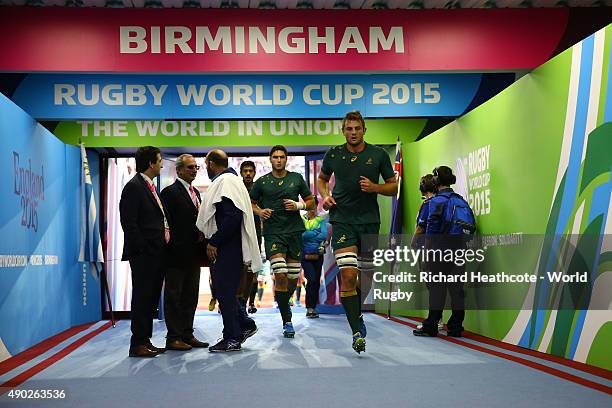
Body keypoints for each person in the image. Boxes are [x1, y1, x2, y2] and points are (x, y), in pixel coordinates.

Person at [318, 111, 397, 353]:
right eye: (349, 129)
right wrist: (325, 196)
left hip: (370, 222)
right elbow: (322, 179)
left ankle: (356, 313)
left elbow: (394, 187)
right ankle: (355, 331)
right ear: (343, 131)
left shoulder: (378, 154)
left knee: (366, 278)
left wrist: (375, 187)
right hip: (342, 221)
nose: (353, 132)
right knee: (349, 276)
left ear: (364, 130)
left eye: (357, 128)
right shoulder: (334, 154)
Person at [196, 149, 262, 352]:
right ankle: (245, 325)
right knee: (226, 292)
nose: (205, 168)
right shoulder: (231, 181)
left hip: (227, 247)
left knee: (224, 292)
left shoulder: (226, 182)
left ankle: (232, 337)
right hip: (229, 246)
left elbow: (233, 217)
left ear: (212, 163)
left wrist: (214, 241)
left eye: (206, 164)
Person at [250, 145, 315, 338]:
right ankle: (287, 321)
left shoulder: (296, 178)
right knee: (280, 275)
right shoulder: (262, 182)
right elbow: (251, 202)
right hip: (273, 234)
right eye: (275, 157)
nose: (279, 160)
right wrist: (260, 212)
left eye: (282, 157)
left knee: (293, 279)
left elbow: (311, 201)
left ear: (286, 159)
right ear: (270, 159)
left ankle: (284, 303)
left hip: (294, 233)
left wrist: (299, 205)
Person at [413, 165, 474, 338]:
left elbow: (431, 233)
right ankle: (456, 327)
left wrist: (426, 255)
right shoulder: (461, 200)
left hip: (440, 250)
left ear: (436, 181)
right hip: (459, 249)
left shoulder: (435, 202)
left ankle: (431, 326)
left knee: (437, 289)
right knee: (457, 290)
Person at [119, 146, 169, 358]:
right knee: (142, 298)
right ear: (150, 163)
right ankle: (137, 343)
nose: (162, 164)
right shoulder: (134, 186)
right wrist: (143, 249)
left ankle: (145, 341)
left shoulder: (149, 186)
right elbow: (129, 223)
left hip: (155, 254)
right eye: (159, 160)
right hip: (144, 255)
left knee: (149, 299)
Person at [160, 154, 209, 351]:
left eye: (196, 167)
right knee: (174, 296)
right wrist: (171, 247)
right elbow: (165, 224)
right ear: (179, 170)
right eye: (190, 167)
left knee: (191, 295)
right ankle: (173, 337)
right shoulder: (169, 193)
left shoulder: (195, 191)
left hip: (194, 255)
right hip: (175, 255)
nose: (194, 170)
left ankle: (187, 334)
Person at [410, 174, 443, 332]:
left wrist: (412, 243)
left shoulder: (428, 203)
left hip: (427, 249)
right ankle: (438, 320)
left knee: (432, 286)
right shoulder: (440, 202)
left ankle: (435, 321)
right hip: (441, 248)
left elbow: (421, 227)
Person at [301, 197, 329, 318]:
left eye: (314, 206)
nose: (312, 209)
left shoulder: (321, 220)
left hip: (318, 253)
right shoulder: (301, 219)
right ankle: (309, 307)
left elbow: (323, 235)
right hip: (304, 254)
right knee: (311, 279)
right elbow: (301, 235)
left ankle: (313, 307)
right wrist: (314, 233)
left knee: (316, 281)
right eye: (310, 206)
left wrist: (309, 235)